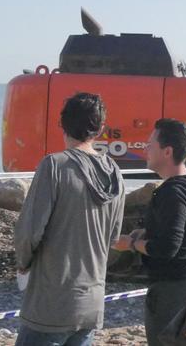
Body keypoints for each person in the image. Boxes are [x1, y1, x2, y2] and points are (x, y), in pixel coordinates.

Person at [14, 92, 126, 346]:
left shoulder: (55, 166)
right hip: (91, 299)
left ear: (63, 124)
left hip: (52, 301)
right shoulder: (114, 172)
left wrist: (23, 263)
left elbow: (29, 231)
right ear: (99, 128)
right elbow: (113, 236)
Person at [112, 119, 186, 346]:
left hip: (174, 288)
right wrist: (147, 231)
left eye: (150, 145)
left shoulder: (173, 193)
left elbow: (167, 247)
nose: (145, 149)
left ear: (167, 151)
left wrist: (130, 243)